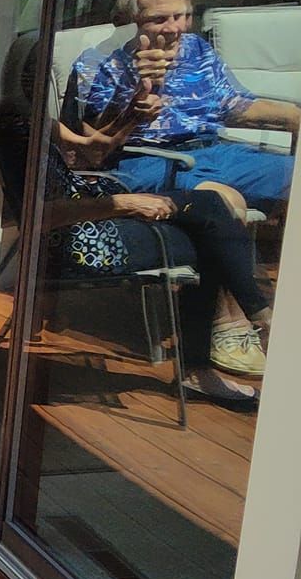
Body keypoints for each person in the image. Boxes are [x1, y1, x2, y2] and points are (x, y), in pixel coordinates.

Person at [30, 102, 271, 403]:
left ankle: (259, 319)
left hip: (92, 209)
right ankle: (253, 329)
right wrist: (126, 204)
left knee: (210, 204)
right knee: (211, 236)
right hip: (86, 241)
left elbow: (94, 151)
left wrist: (123, 118)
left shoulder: (27, 118)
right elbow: (38, 216)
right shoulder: (16, 132)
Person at [68, 0, 298, 207]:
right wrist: (132, 89)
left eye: (181, 16)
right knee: (224, 202)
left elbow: (232, 106)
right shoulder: (98, 62)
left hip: (216, 151)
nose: (174, 28)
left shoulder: (195, 47)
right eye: (158, 19)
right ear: (125, 21)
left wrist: (294, 116)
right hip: (148, 161)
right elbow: (94, 144)